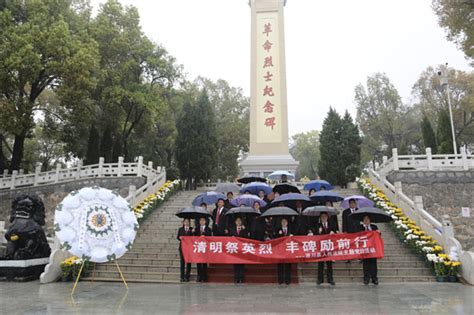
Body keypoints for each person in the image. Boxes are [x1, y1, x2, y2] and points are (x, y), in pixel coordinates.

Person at [358, 215, 380, 285]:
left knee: (373, 264)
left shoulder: (374, 227)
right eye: (365, 219)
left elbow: (378, 236)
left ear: (370, 220)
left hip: (373, 248)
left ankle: (374, 278)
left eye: (367, 219)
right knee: (366, 264)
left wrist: (379, 232)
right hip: (364, 248)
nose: (366, 220)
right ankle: (366, 278)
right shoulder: (360, 227)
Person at [317, 212, 337, 285]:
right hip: (321, 247)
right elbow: (315, 235)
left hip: (329, 247)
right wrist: (318, 232)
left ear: (327, 217)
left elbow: (335, 232)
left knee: (329, 264)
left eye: (325, 217)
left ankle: (330, 279)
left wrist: (333, 232)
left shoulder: (331, 225)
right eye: (322, 217)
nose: (323, 218)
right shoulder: (318, 225)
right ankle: (320, 279)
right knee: (320, 264)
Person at [228, 217, 250, 283]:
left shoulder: (244, 229)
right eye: (237, 221)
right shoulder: (232, 229)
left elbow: (247, 238)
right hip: (235, 249)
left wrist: (244, 230)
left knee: (241, 264)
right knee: (235, 264)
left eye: (239, 221)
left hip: (242, 249)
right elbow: (229, 237)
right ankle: (236, 278)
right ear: (235, 222)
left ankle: (241, 278)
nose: (238, 222)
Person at [195, 217, 212, 282]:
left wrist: (204, 236)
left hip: (205, 248)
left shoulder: (208, 229)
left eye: (203, 220)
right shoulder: (196, 229)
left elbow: (210, 237)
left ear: (205, 221)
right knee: (198, 263)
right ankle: (199, 276)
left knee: (204, 263)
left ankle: (204, 277)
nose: (202, 222)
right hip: (198, 248)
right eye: (201, 220)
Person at [276, 218, 292, 285]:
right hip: (280, 250)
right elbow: (276, 239)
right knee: (280, 265)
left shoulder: (290, 230)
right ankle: (280, 280)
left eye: (285, 222)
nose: (284, 223)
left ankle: (287, 280)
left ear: (287, 223)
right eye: (283, 222)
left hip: (288, 250)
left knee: (288, 265)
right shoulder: (278, 230)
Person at [342, 199, 359, 263]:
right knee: (349, 244)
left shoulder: (358, 211)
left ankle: (358, 256)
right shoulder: (345, 212)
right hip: (349, 230)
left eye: (353, 203)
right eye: (350, 203)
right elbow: (344, 222)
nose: (352, 204)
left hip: (357, 230)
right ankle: (348, 258)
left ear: (355, 204)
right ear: (349, 204)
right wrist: (344, 230)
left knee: (357, 244)